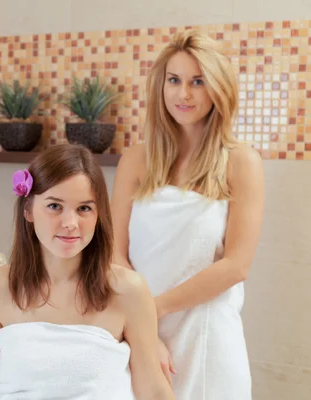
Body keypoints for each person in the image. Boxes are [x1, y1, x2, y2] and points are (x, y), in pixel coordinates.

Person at [110, 30, 264, 400]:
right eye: (174, 80)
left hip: (207, 339)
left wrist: (151, 310)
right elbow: (114, 252)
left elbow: (235, 266)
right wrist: (143, 330)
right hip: (141, 333)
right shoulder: (136, 159)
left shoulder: (240, 162)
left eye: (198, 81)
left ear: (218, 89)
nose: (184, 94)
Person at [0, 143, 174, 400]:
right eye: (55, 206)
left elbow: (153, 389)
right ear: (28, 210)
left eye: (84, 208)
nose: (70, 223)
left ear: (98, 215)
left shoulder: (127, 290)